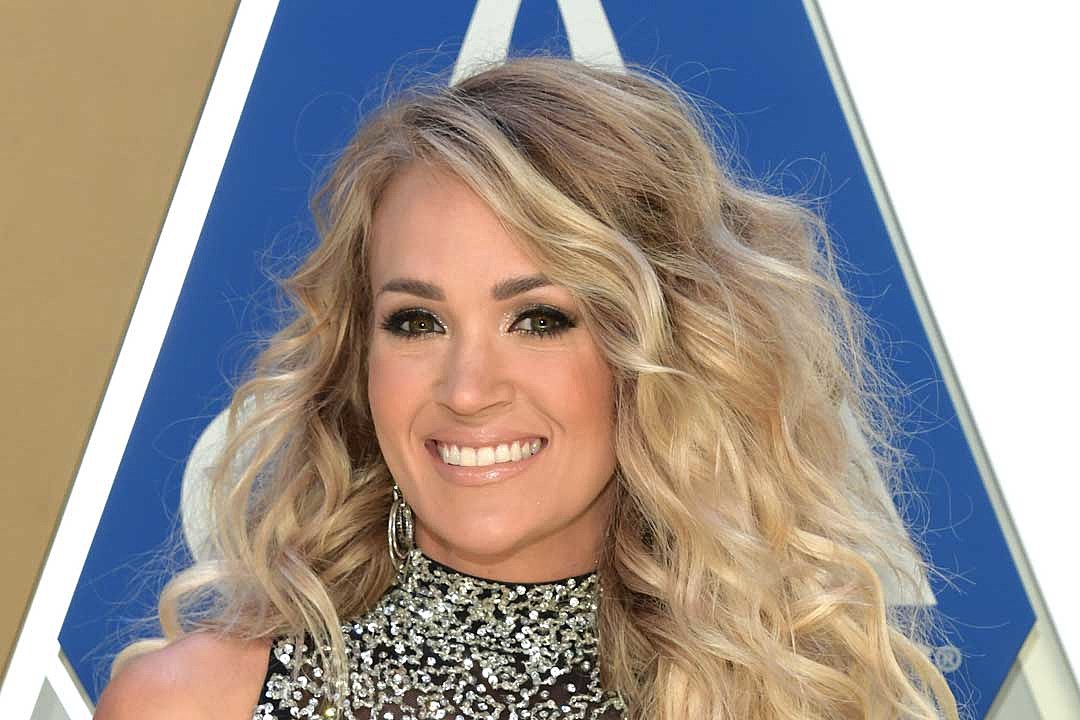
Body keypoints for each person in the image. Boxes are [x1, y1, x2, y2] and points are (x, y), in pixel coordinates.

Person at [94, 54, 960, 720]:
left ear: (661, 350)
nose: (468, 389)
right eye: (416, 322)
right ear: (359, 360)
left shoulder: (792, 703)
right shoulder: (191, 705)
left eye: (539, 319)